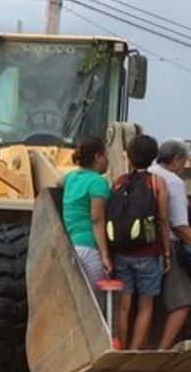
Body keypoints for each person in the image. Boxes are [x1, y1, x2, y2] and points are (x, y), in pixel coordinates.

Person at [109, 134, 171, 350]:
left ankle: (122, 349)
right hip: (148, 252)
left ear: (129, 156)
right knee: (145, 306)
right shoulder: (156, 182)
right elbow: (163, 219)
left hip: (121, 252)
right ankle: (135, 352)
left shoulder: (118, 182)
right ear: (153, 157)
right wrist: (167, 253)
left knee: (124, 307)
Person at [151, 138, 191, 350]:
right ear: (176, 159)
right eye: (184, 161)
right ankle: (161, 351)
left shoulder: (147, 172)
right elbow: (180, 226)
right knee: (183, 301)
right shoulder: (173, 182)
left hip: (140, 246)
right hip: (167, 247)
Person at [62, 135, 113, 290]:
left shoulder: (70, 178)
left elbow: (57, 183)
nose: (108, 161)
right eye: (106, 156)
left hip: (71, 245)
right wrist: (105, 255)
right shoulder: (98, 183)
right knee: (95, 300)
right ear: (98, 157)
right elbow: (96, 219)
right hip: (90, 248)